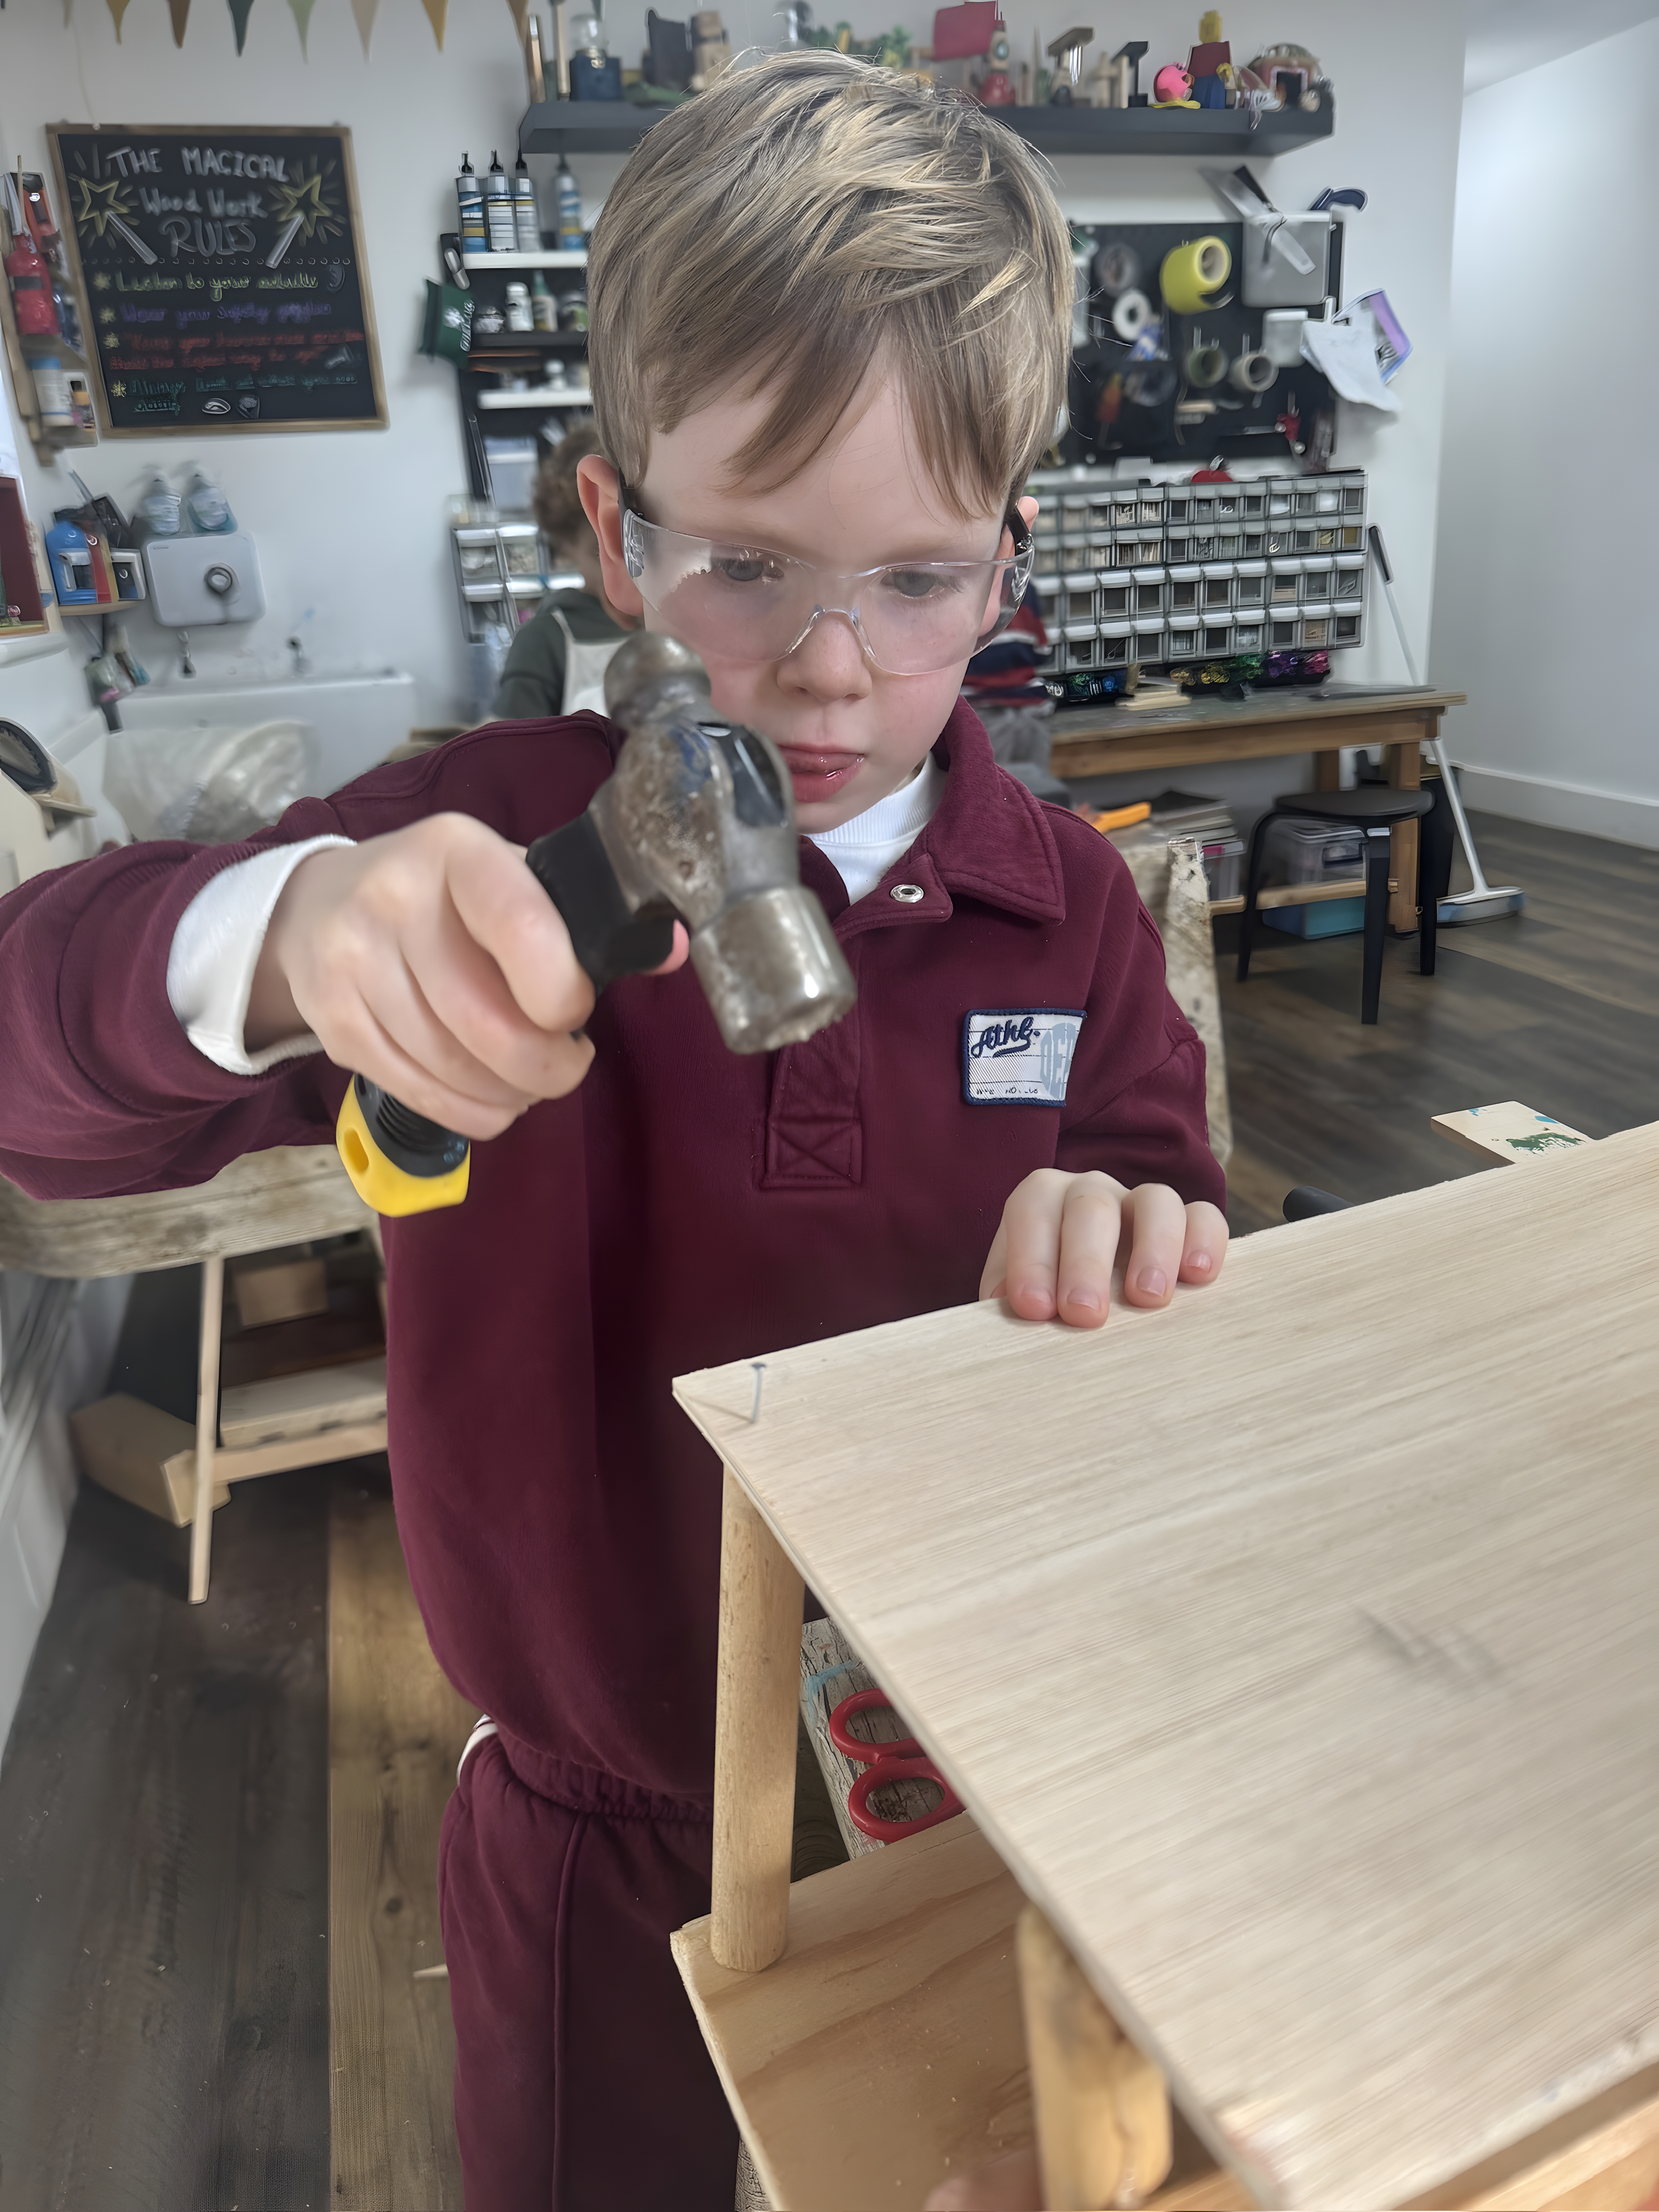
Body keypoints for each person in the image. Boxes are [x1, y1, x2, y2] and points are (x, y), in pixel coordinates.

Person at [0, 55, 1229, 2211]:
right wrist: (271, 939)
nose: (835, 677)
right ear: (611, 525)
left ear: (1010, 553)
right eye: (747, 567)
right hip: (607, 1808)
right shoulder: (476, 847)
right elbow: (42, 1081)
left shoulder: (1075, 898)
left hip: (991, 1765)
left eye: (923, 581)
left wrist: (1135, 1213)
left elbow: (1162, 1167)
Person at [492, 422, 638, 719]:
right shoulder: (545, 641)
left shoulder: (678, 620)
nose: (630, 569)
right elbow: (514, 755)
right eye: (600, 552)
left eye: (638, 548)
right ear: (565, 543)